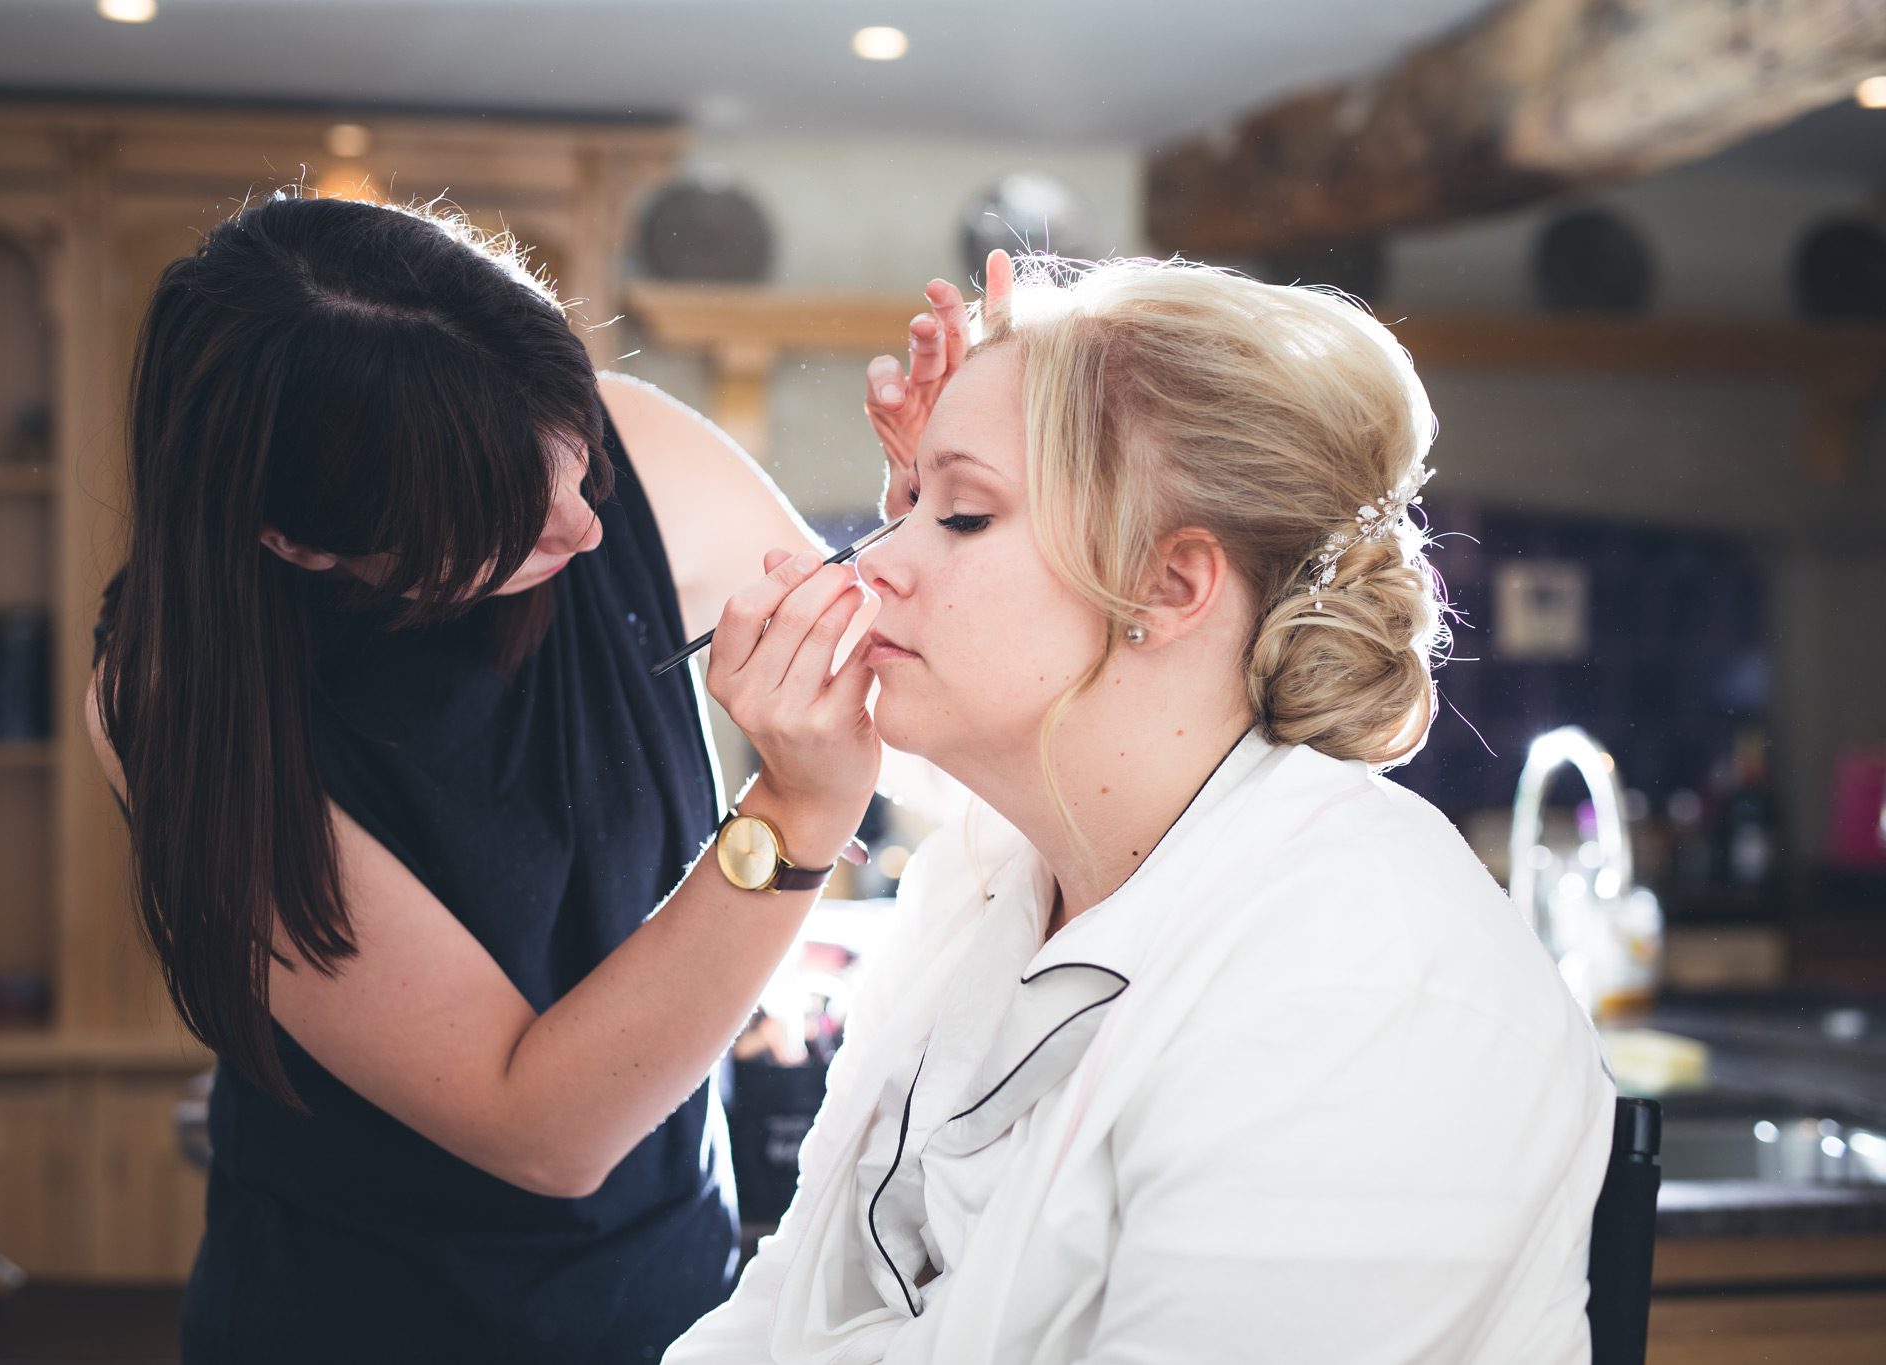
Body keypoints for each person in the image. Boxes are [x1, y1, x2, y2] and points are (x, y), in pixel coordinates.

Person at [83, 189, 995, 1364]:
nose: (586, 528)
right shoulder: (174, 701)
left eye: (579, 464)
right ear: (303, 544)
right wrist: (793, 816)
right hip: (357, 1322)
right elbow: (542, 1131)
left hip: (675, 1289)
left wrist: (934, 510)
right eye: (508, 520)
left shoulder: (635, 450)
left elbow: (898, 685)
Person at [664, 256, 1619, 1364]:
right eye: (907, 503)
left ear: (1168, 587)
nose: (870, 567)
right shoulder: (980, 888)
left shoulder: (1362, 978)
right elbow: (781, 1314)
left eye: (962, 514)